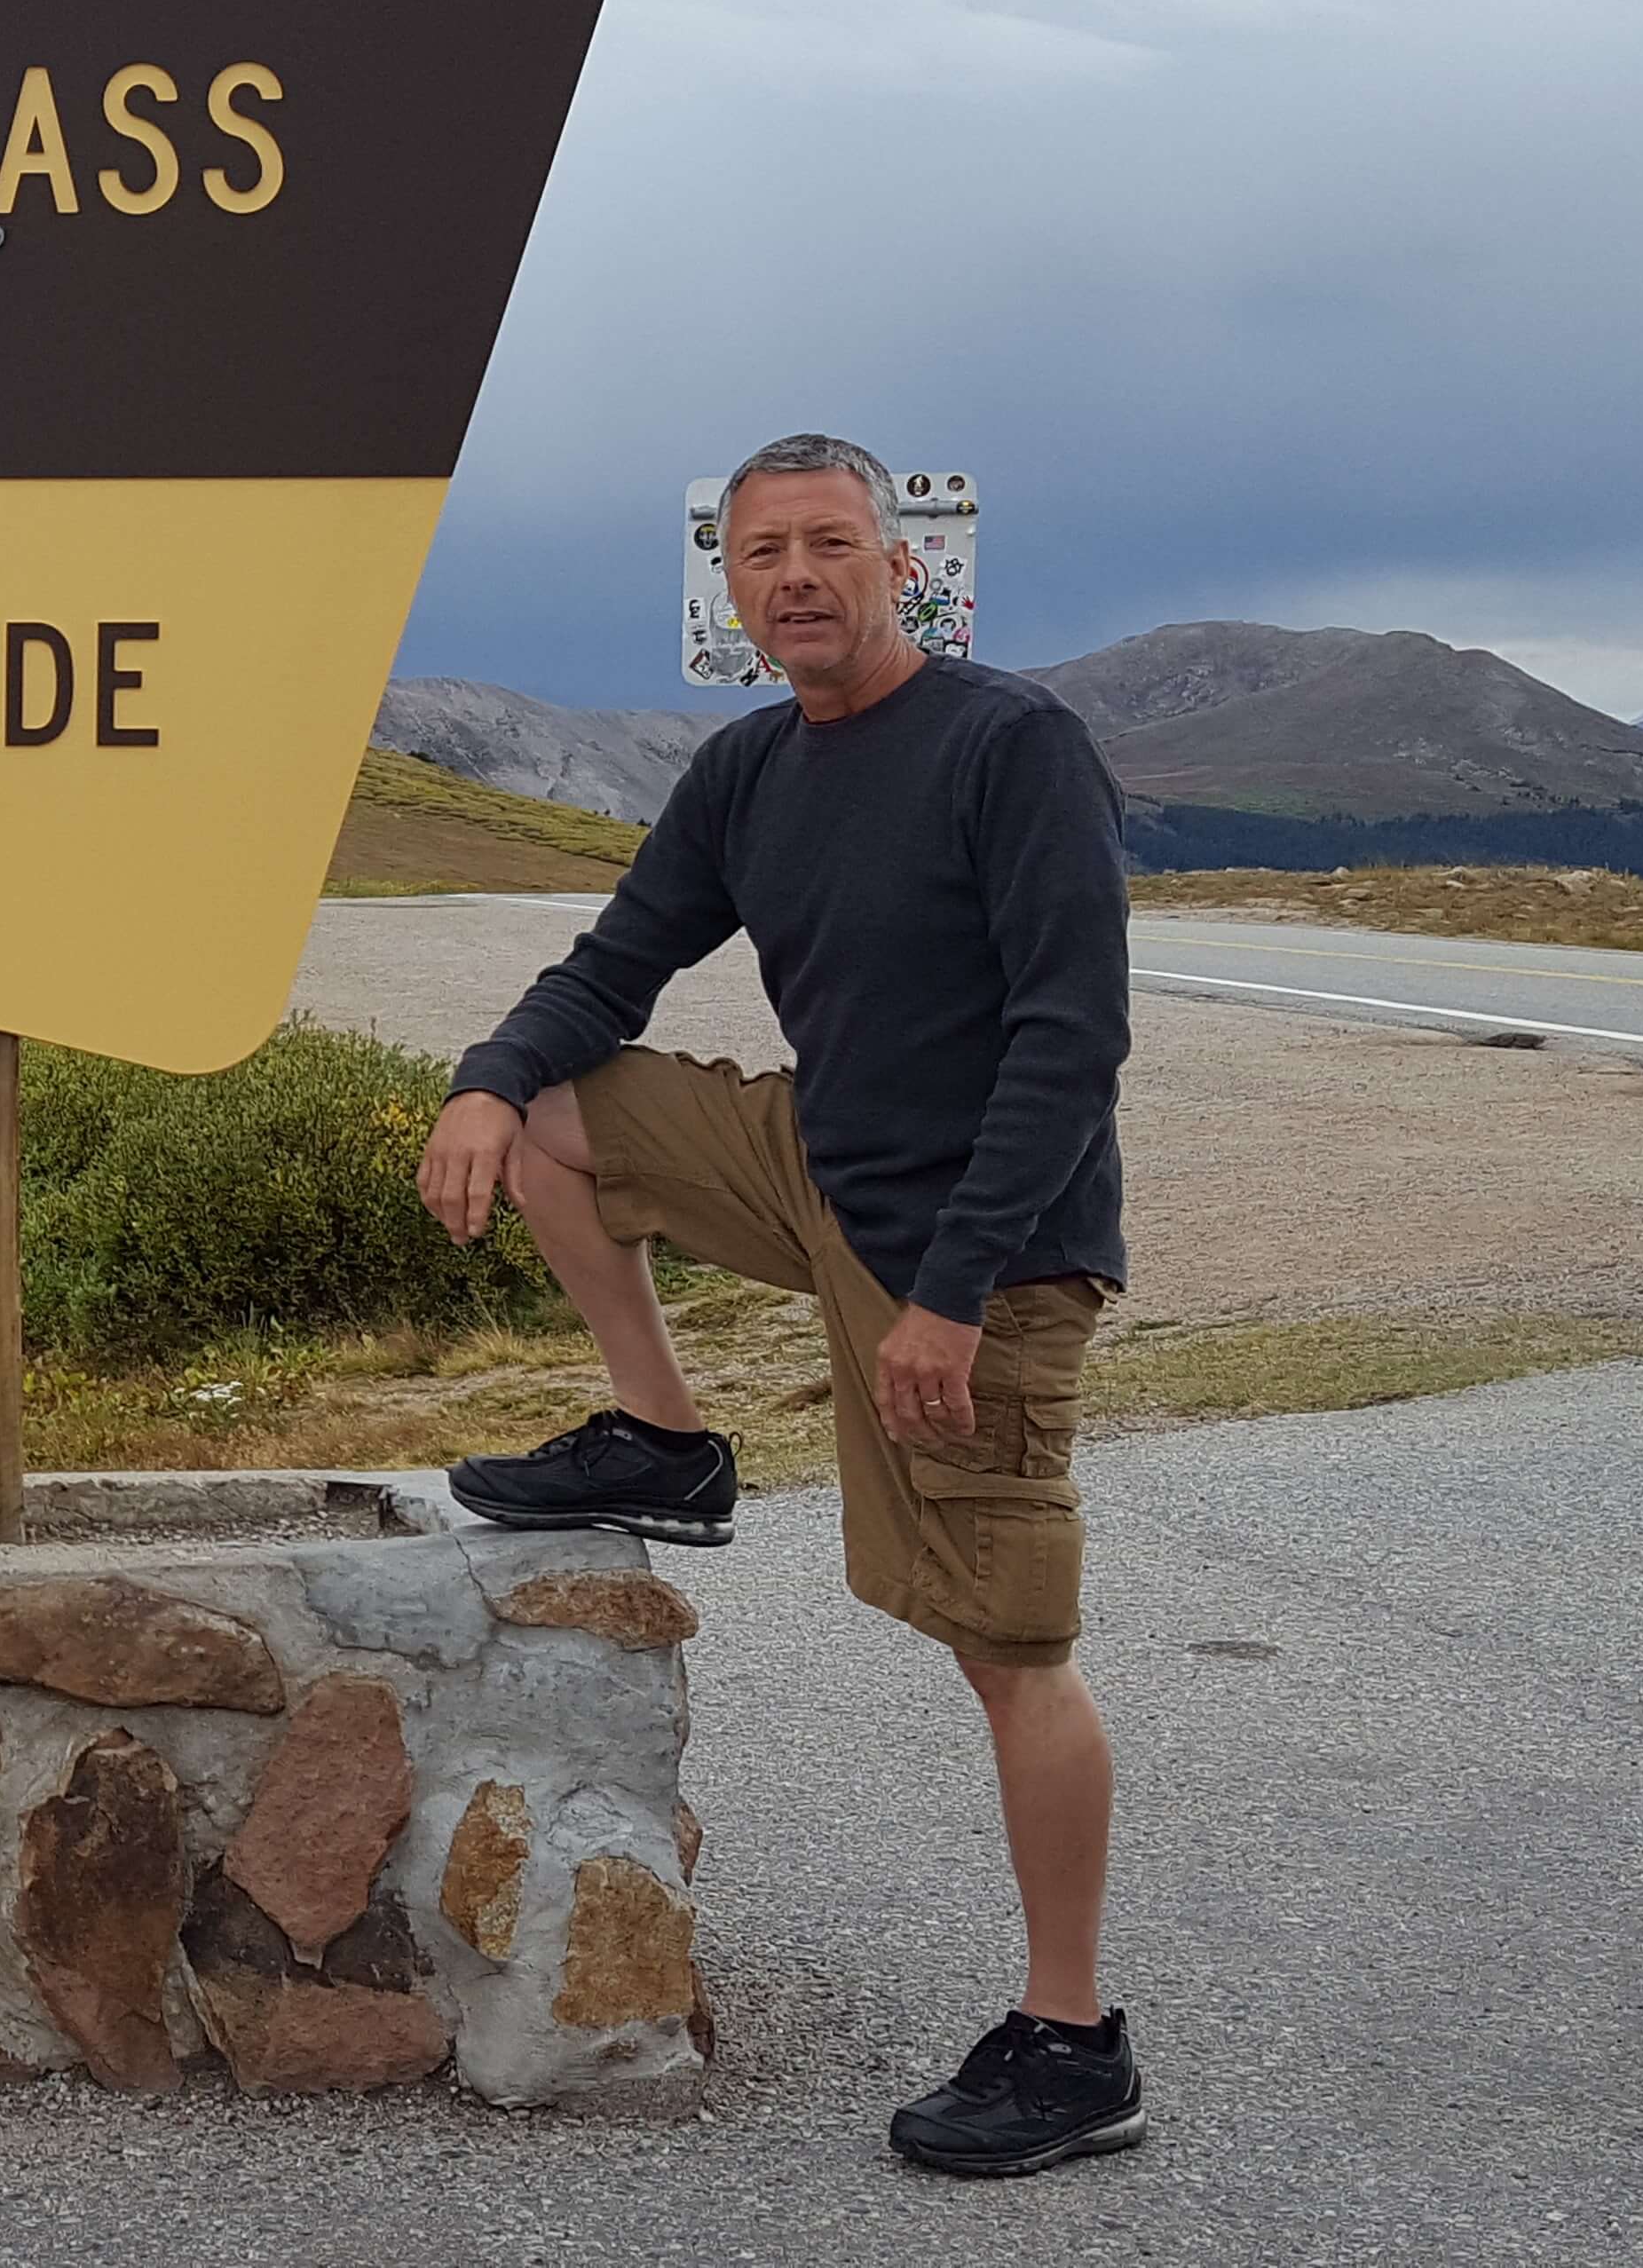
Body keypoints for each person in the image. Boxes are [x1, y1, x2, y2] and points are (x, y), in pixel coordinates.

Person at [413, 433, 1145, 2178]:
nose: (797, 575)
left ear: (899, 568)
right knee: (558, 1126)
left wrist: (950, 1297)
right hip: (815, 1159)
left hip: (983, 1241)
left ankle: (1072, 2040)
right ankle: (665, 1439)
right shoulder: (748, 770)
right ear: (730, 588)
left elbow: (1069, 1038)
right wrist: (483, 1084)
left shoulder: (1006, 745)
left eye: (830, 544)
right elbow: (613, 968)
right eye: (764, 554)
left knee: (1008, 1652)